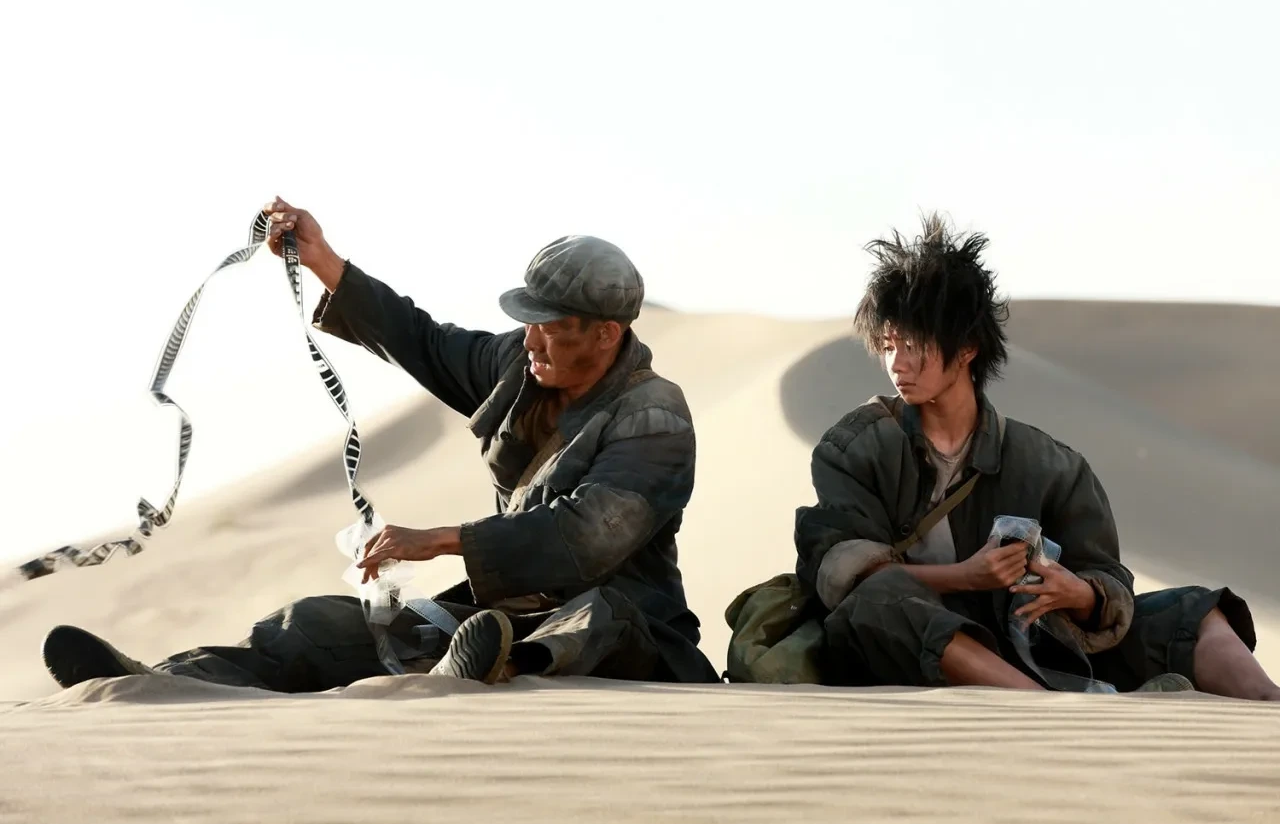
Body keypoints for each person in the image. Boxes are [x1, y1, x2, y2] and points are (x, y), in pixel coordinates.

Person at [42, 197, 719, 690]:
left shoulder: (655, 416)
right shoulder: (521, 367)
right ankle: (161, 681)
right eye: (529, 321)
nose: (532, 337)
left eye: (552, 325)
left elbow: (585, 537)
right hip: (498, 615)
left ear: (606, 334)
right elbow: (424, 340)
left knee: (594, 616)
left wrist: (440, 540)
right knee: (317, 624)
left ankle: (496, 666)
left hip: (632, 635)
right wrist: (323, 260)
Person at [793, 212, 1277, 698]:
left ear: (967, 347)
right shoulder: (855, 448)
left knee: (1193, 611)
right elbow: (844, 577)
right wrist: (965, 577)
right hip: (910, 646)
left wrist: (1078, 593)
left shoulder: (1050, 465)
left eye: (914, 344)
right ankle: (1055, 710)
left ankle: (1267, 710)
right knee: (877, 602)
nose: (897, 363)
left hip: (1035, 644)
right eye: (887, 345)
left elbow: (1107, 578)